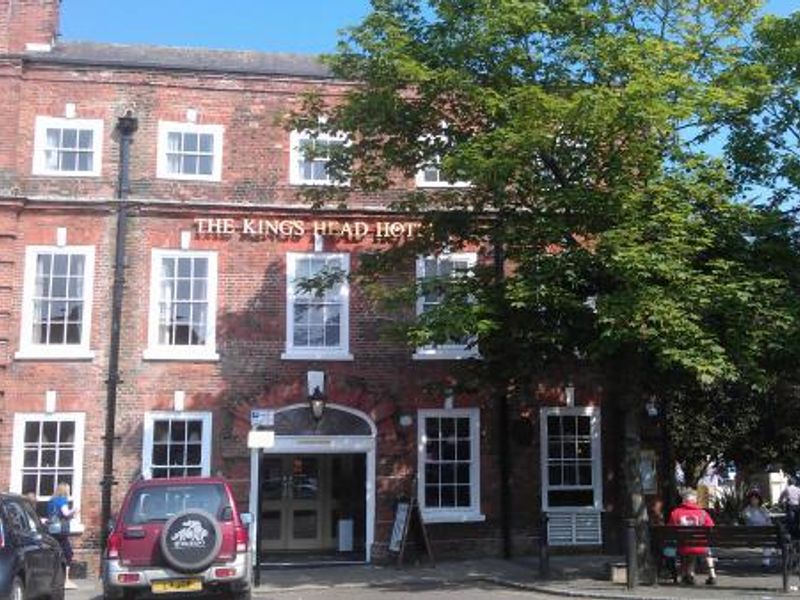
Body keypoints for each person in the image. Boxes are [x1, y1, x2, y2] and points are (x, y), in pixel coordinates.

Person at [668, 488, 718, 585]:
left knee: (690, 551)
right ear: (694, 500)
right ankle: (712, 575)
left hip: (682, 546)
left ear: (683, 500)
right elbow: (711, 527)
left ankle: (689, 575)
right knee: (704, 549)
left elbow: (670, 529)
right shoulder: (703, 513)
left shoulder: (675, 513)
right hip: (700, 546)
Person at [47, 482, 78, 590]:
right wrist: (74, 510)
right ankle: (66, 581)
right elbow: (65, 513)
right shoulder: (62, 500)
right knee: (68, 553)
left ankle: (53, 580)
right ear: (65, 490)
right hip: (61, 531)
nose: (69, 492)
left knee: (55, 554)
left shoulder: (51, 501)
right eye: (68, 490)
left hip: (51, 530)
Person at [741, 488, 774, 569]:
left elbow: (768, 520)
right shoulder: (747, 511)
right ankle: (765, 562)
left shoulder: (762, 509)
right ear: (749, 500)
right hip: (754, 536)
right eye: (752, 499)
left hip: (761, 535)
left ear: (759, 500)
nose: (754, 501)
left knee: (768, 541)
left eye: (756, 499)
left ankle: (765, 562)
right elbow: (751, 522)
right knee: (768, 541)